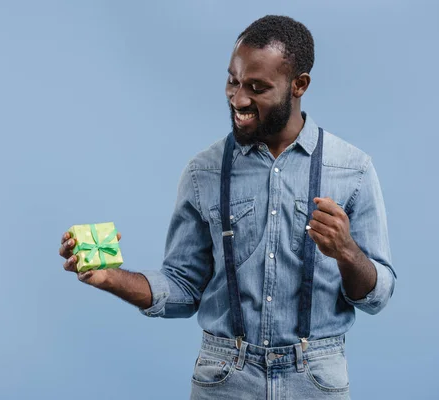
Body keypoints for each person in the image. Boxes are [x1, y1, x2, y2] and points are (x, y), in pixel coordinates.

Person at [59, 15, 396, 399]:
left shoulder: (352, 169)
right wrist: (110, 277)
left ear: (299, 85)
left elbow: (378, 296)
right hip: (225, 378)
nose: (238, 99)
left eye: (257, 87)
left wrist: (347, 252)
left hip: (315, 378)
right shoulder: (203, 171)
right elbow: (184, 286)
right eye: (233, 81)